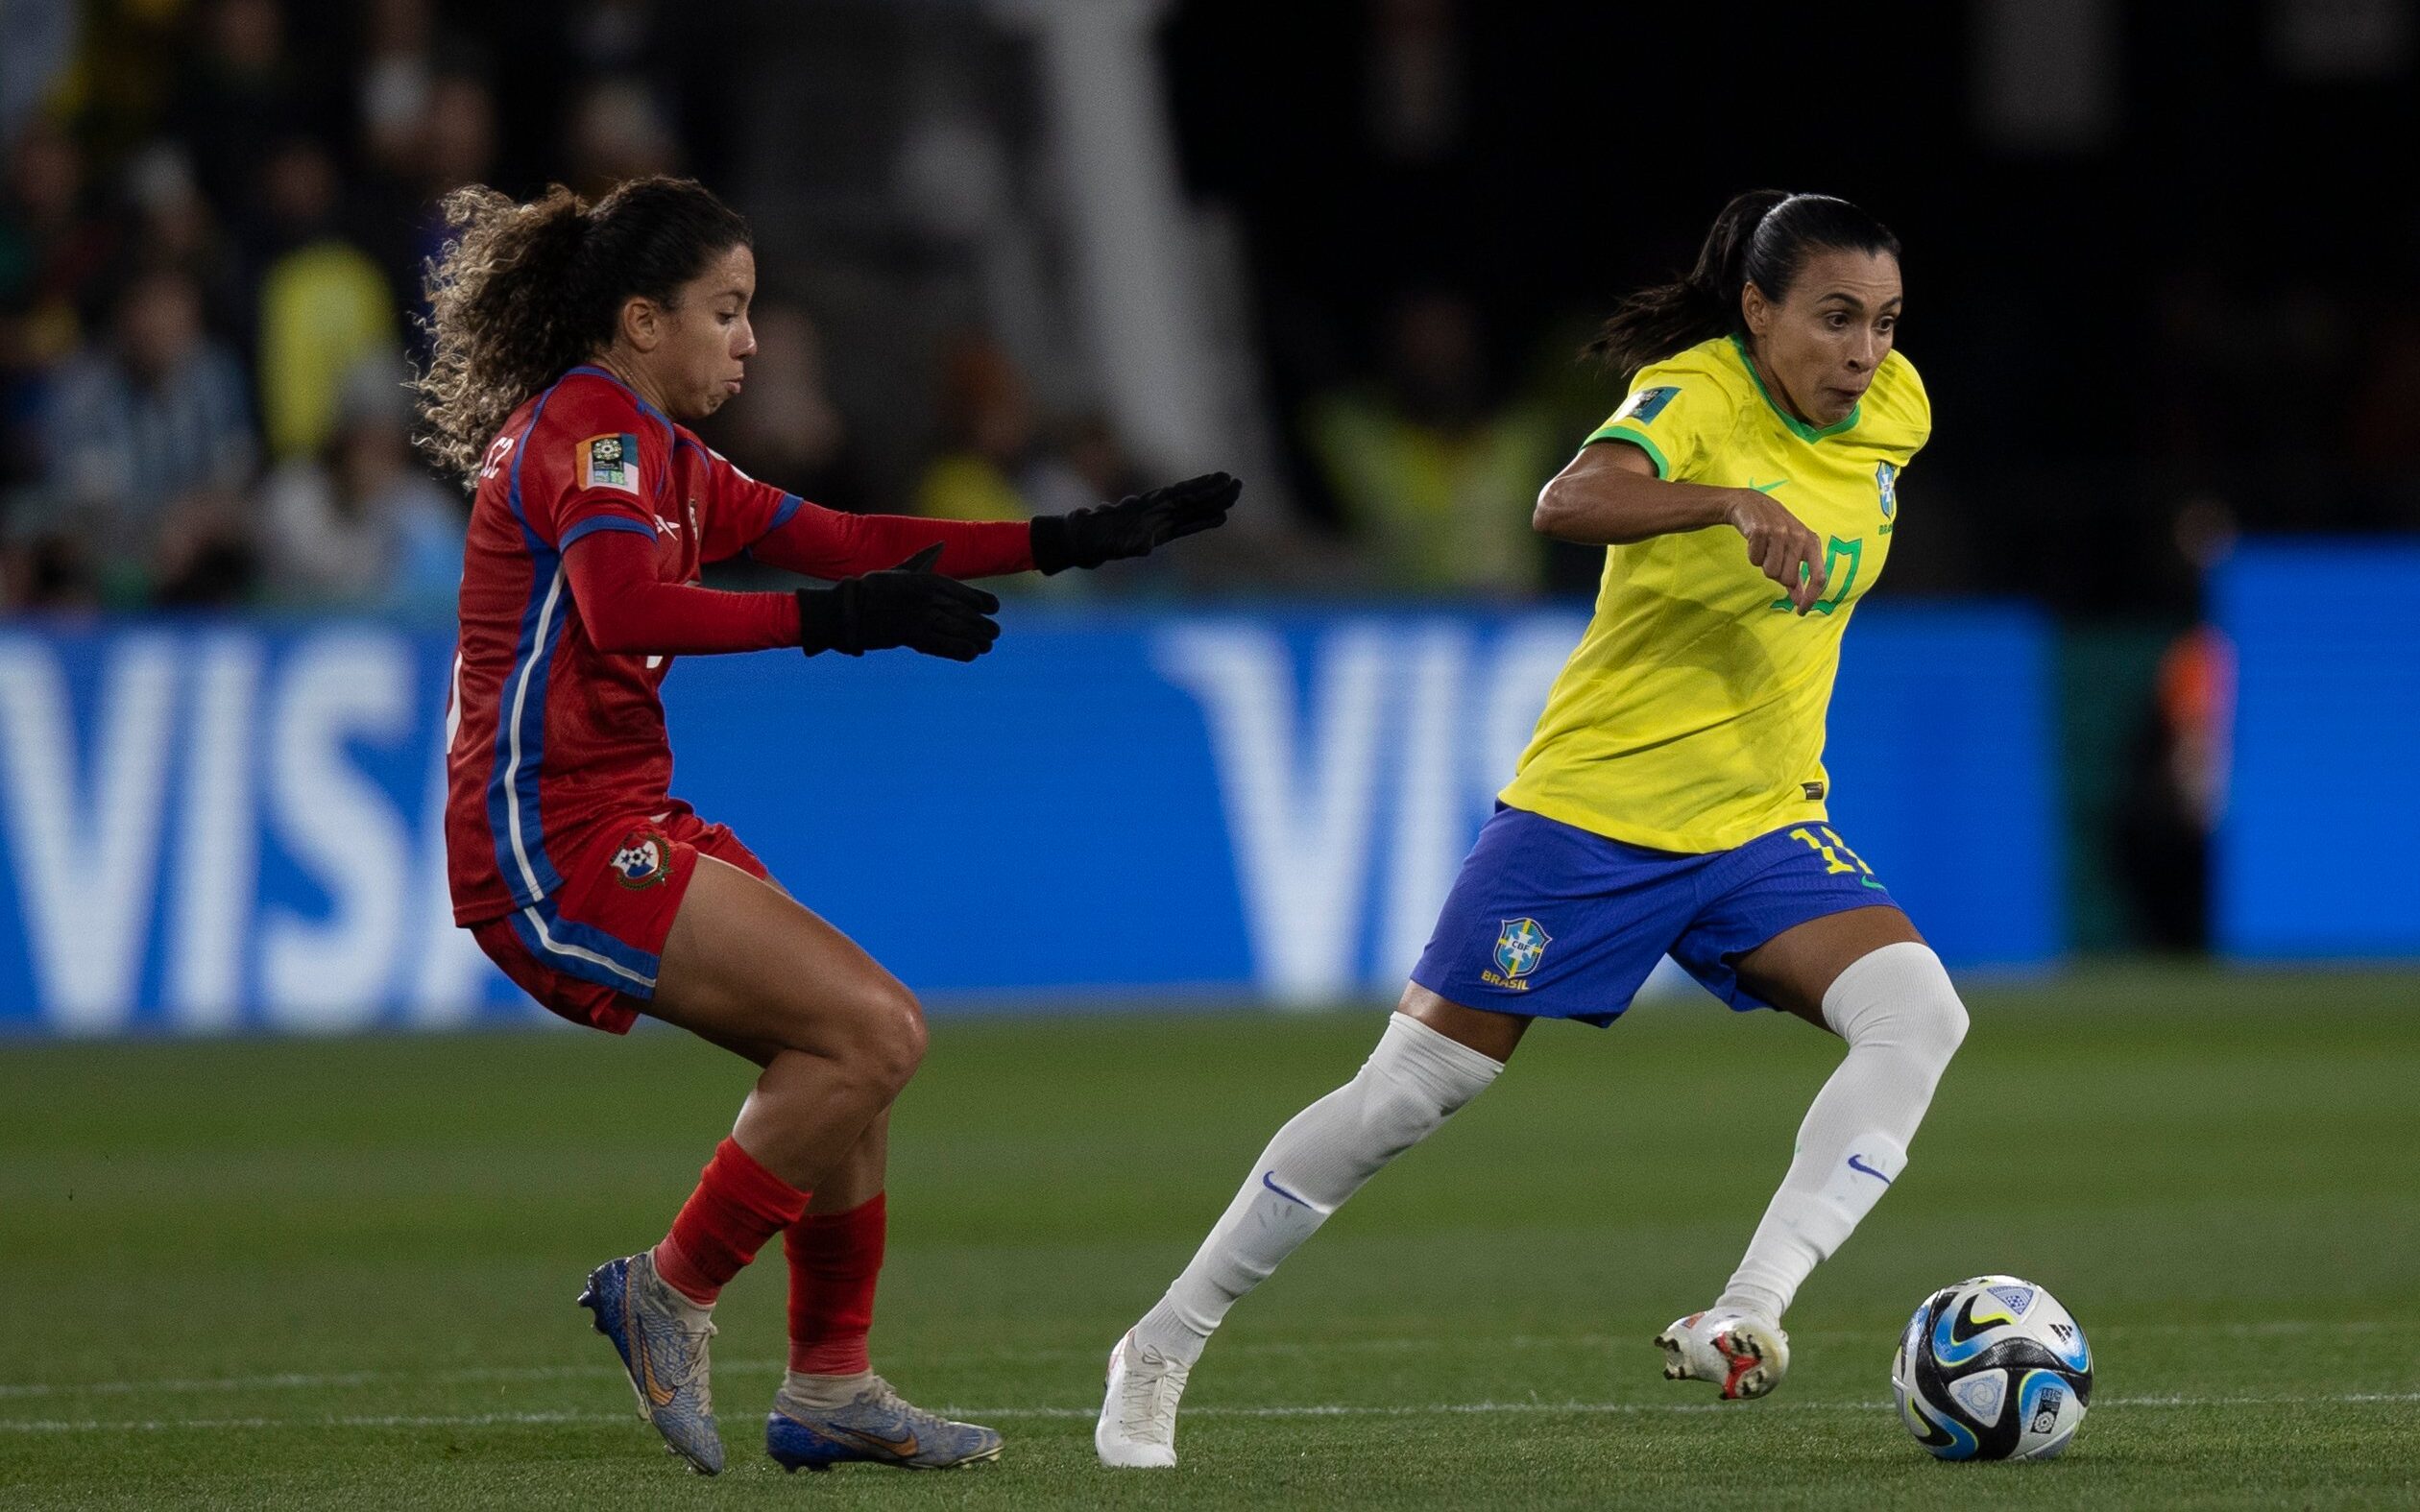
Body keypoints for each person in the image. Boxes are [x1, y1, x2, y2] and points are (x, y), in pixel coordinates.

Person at [1097, 189, 1963, 1468]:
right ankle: (1161, 1342)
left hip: (1759, 822)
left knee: (1919, 1014)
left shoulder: (1899, 409)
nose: (1864, 352)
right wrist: (1724, 505)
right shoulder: (1698, 397)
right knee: (1413, 1091)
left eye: (1885, 322)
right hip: (1595, 818)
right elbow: (1568, 501)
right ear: (1759, 310)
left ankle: (1749, 1307)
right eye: (1836, 319)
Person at [414, 175, 1238, 1476]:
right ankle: (669, 1294)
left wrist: (1068, 537)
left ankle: (831, 1387)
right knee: (875, 1031)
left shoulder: (660, 450)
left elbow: (844, 534)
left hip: (623, 811)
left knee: (848, 1047)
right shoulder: (594, 434)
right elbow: (626, 610)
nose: (748, 340)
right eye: (725, 311)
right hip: (549, 841)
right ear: (641, 320)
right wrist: (831, 624)